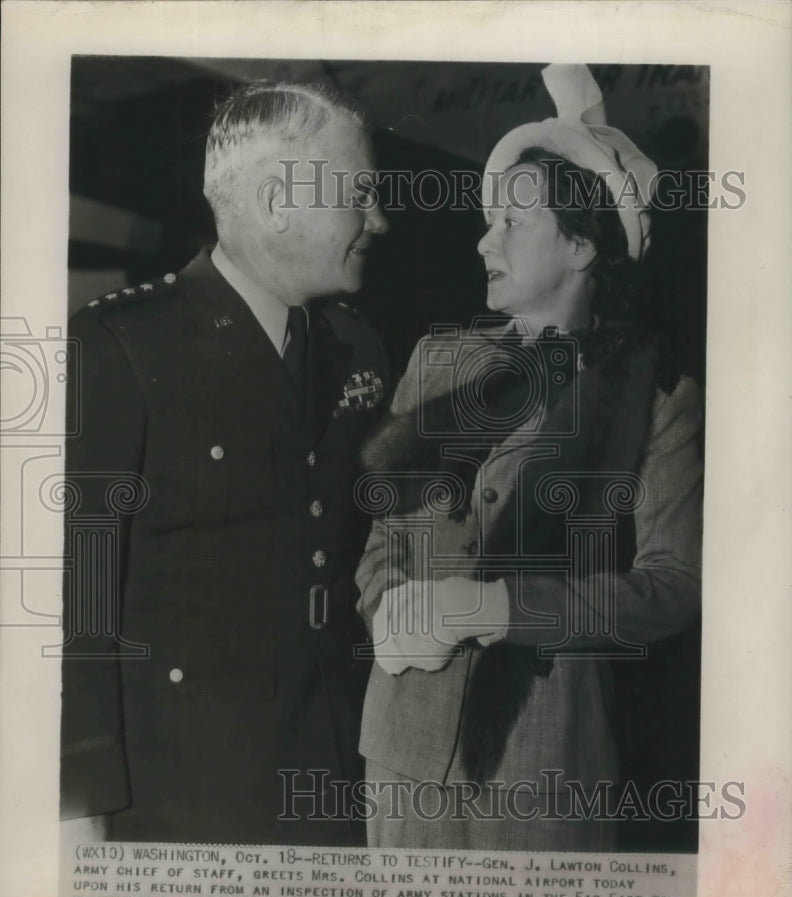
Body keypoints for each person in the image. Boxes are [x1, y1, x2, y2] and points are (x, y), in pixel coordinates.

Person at [355, 64, 703, 850]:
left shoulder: (655, 399)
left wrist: (498, 609)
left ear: (581, 244)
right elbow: (382, 542)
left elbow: (674, 588)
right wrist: (386, 613)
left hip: (546, 772)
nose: (485, 239)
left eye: (513, 221)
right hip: (403, 761)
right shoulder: (438, 365)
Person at [60, 79, 389, 846]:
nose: (379, 219)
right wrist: (78, 814)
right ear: (279, 201)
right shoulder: (120, 347)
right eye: (361, 194)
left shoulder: (357, 348)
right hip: (179, 803)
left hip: (329, 789)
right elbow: (76, 603)